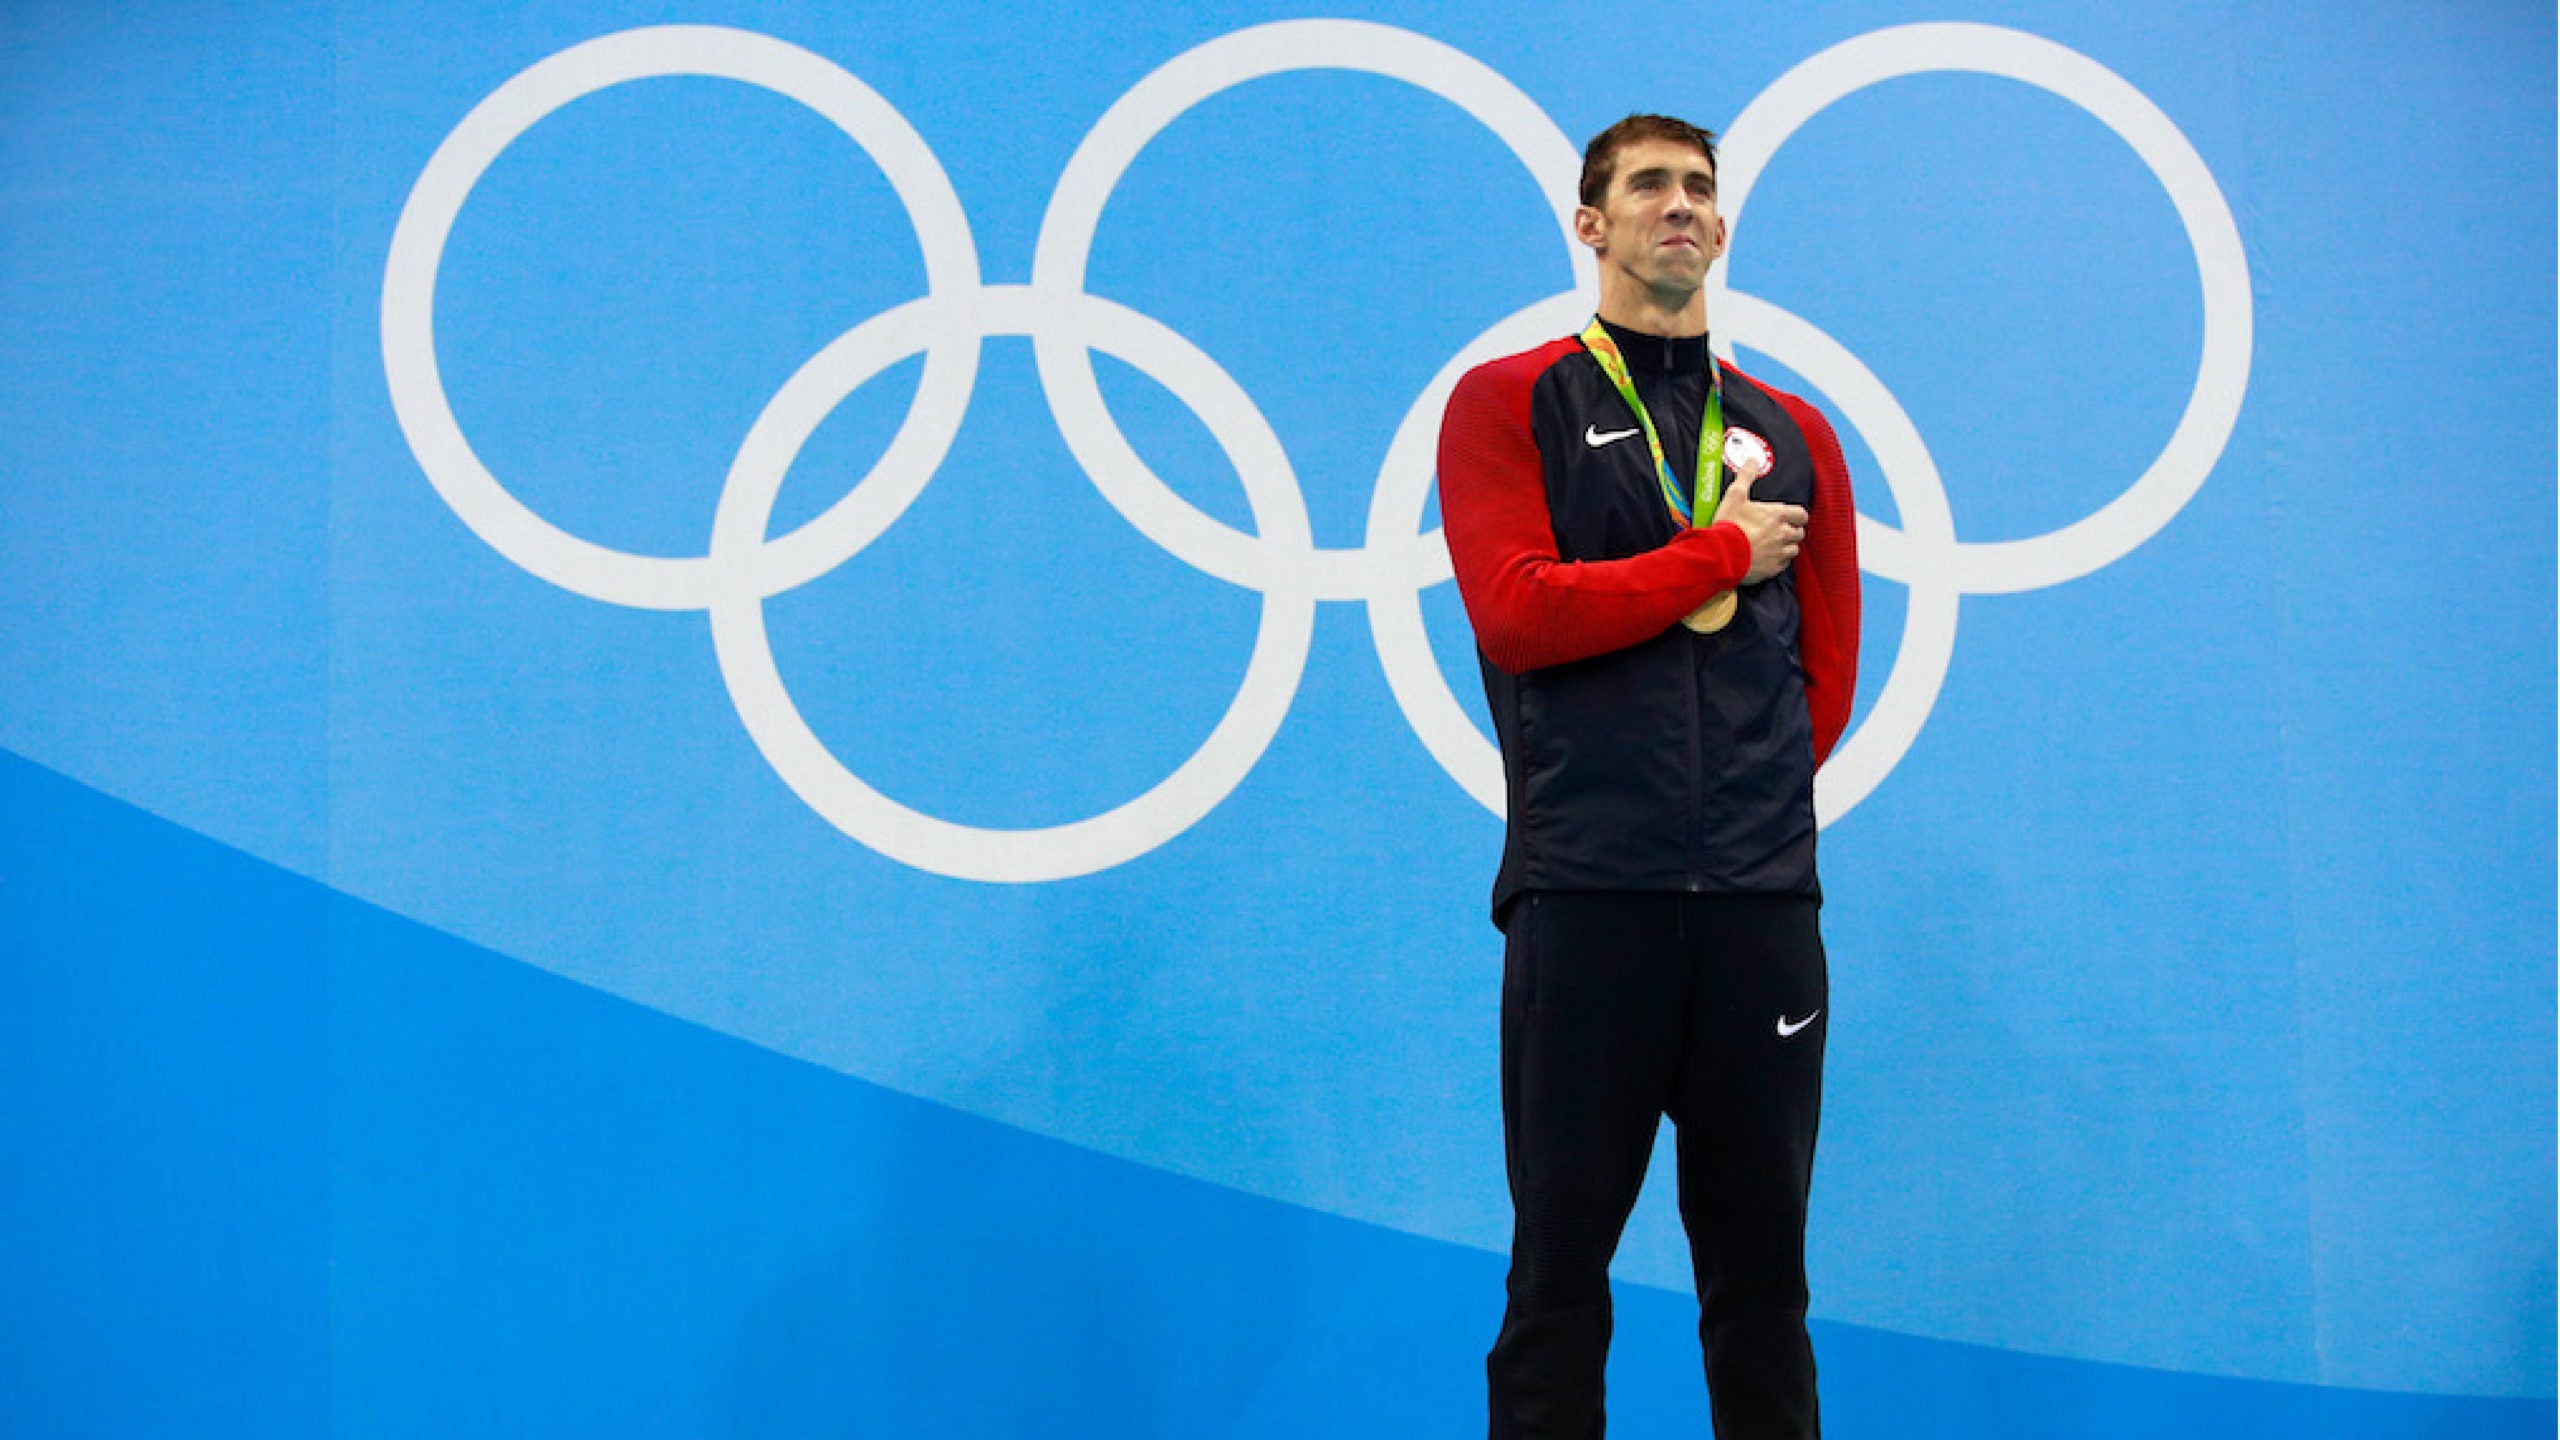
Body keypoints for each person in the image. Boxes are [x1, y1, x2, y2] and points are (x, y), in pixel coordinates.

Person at [1436, 113, 1862, 1439]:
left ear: (1722, 227)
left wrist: (1744, 797)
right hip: (1587, 897)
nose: (1678, 207)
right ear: (1591, 223)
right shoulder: (1510, 401)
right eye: (1646, 187)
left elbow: (1826, 681)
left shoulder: (1796, 436)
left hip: (1759, 911)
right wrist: (1716, 562)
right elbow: (1516, 614)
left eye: (1698, 189)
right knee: (1558, 1281)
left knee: (1765, 1291)